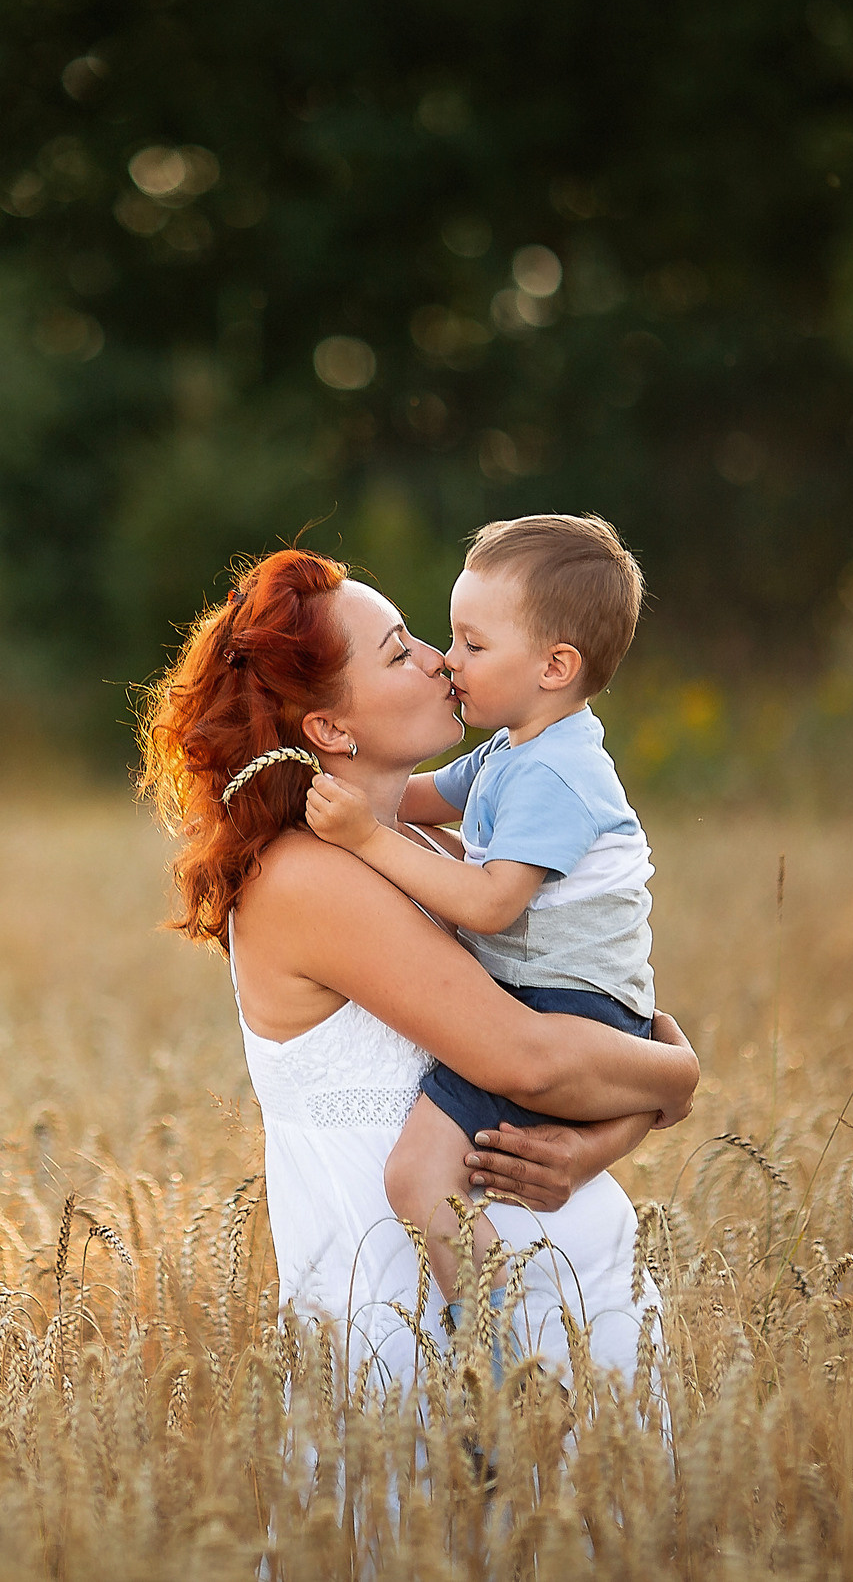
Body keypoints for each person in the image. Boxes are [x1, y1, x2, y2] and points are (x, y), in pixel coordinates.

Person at [138, 547, 696, 1389]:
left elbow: (573, 1031)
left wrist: (605, 1139)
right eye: (401, 651)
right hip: (414, 1332)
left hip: (569, 1301)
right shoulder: (306, 878)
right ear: (329, 729)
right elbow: (531, 1059)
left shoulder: (435, 845)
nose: (442, 659)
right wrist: (679, 1073)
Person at [304, 514, 661, 1347]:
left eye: (471, 644)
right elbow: (420, 797)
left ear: (554, 666)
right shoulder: (515, 748)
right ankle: (503, 1333)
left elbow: (492, 903)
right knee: (436, 1172)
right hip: (549, 1004)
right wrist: (320, 773)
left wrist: (364, 839)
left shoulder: (559, 771)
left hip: (567, 1012)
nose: (447, 661)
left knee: (418, 1174)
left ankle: (496, 1353)